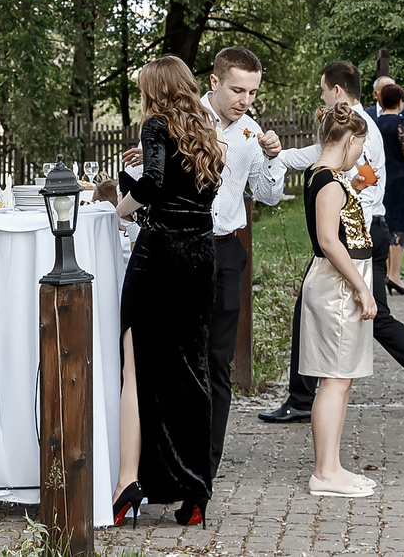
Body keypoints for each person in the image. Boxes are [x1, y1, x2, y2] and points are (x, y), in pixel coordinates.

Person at [261, 61, 404, 427]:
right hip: (364, 234)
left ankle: (304, 399)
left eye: (323, 89)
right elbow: (313, 158)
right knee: (374, 316)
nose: (321, 95)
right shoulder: (349, 130)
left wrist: (354, 243)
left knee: (354, 310)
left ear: (337, 91)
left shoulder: (357, 131)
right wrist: (272, 154)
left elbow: (359, 188)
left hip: (360, 236)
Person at [113, 56, 226, 528]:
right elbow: (190, 187)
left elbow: (155, 186)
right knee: (191, 369)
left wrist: (122, 202)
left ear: (153, 89)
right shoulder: (204, 128)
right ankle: (195, 488)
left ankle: (127, 483)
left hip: (159, 257)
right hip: (200, 257)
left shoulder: (155, 124)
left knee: (135, 369)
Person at [194, 47, 285, 485]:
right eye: (236, 89)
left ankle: (205, 469)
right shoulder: (184, 119)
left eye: (251, 92)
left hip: (227, 252)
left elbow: (267, 196)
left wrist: (272, 157)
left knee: (218, 361)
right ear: (214, 83)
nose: (244, 99)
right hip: (184, 249)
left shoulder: (251, 133)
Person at [299, 103, 380, 498]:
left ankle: (331, 465)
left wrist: (357, 190)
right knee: (334, 380)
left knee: (339, 379)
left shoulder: (328, 177)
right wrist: (362, 288)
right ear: (349, 140)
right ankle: (325, 472)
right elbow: (330, 241)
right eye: (359, 148)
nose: (360, 157)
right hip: (337, 285)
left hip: (337, 282)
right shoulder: (329, 182)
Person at [375, 82, 404, 293]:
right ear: (400, 101)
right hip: (400, 180)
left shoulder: (375, 122)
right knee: (399, 229)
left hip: (382, 179)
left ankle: (389, 274)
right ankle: (395, 275)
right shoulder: (399, 123)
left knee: (389, 225)